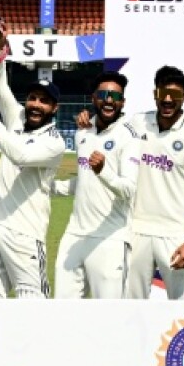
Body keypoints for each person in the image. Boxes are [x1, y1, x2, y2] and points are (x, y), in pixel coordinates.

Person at [0, 63, 65, 299]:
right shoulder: (17, 118)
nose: (35, 104)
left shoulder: (55, 143)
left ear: (55, 108)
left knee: (33, 302)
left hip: (26, 233)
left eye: (44, 101)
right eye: (32, 98)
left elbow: (20, 155)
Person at [125, 65, 184, 301]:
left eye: (175, 95)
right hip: (136, 230)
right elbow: (107, 133)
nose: (168, 100)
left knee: (182, 309)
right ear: (154, 93)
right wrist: (89, 121)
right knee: (129, 307)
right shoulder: (136, 123)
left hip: (177, 234)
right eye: (162, 93)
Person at [53, 71, 137, 299]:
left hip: (110, 239)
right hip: (74, 235)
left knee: (109, 319)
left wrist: (103, 172)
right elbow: (83, 181)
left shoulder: (129, 137)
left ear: (123, 102)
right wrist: (49, 186)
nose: (109, 100)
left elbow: (129, 190)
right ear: (93, 98)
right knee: (63, 313)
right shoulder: (83, 132)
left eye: (115, 96)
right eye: (103, 94)